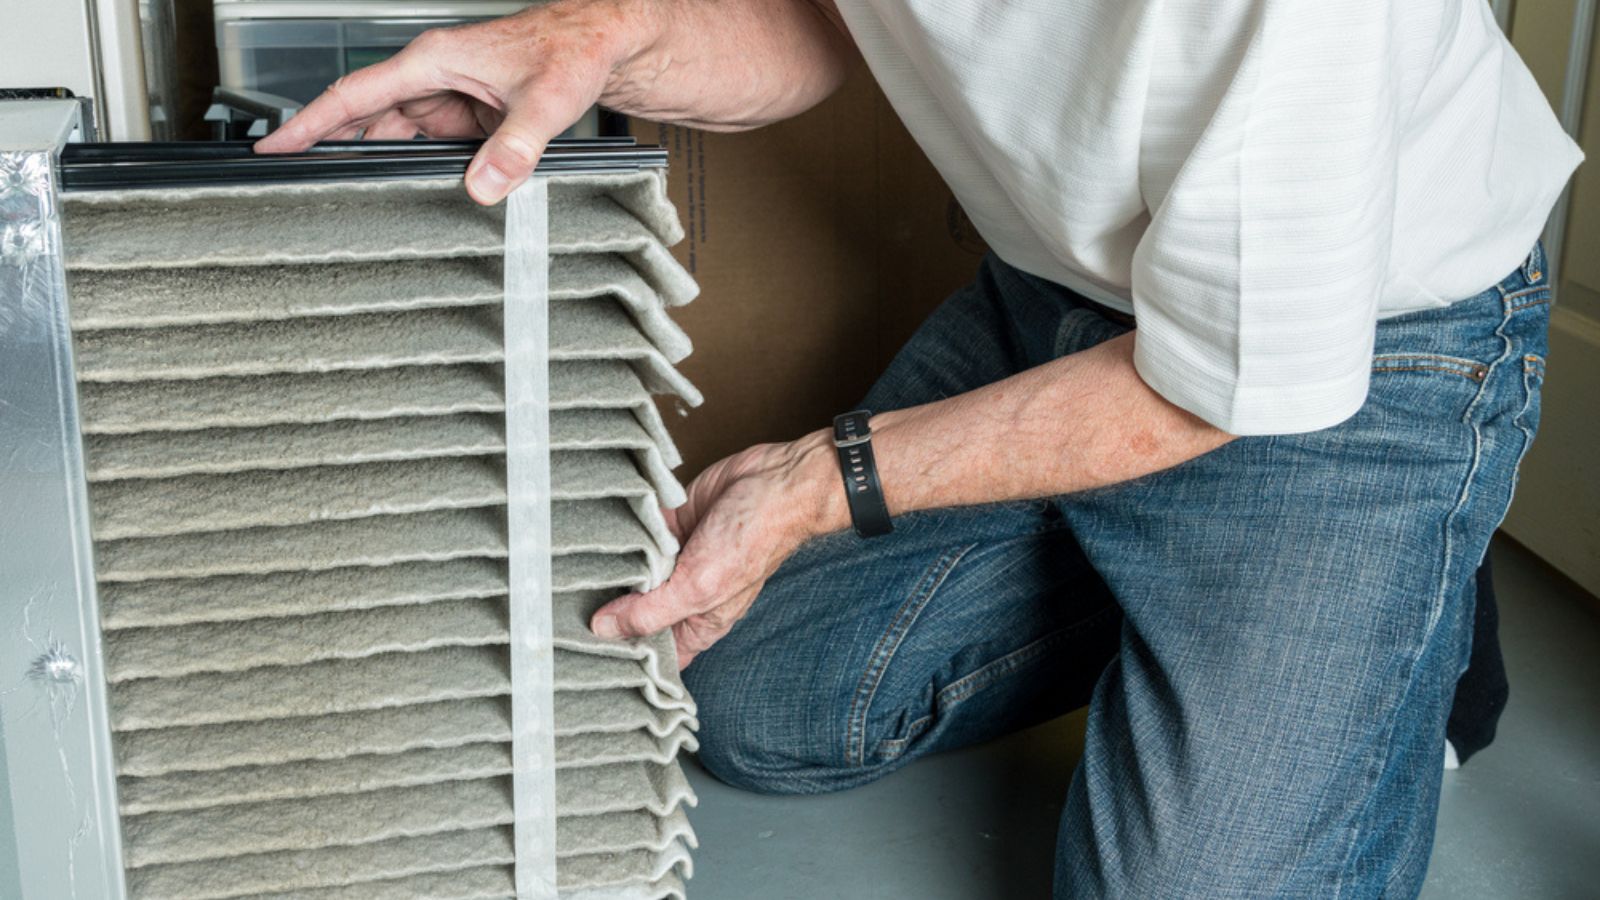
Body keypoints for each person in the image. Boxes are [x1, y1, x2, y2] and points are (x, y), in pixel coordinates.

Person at [259, 1, 1581, 894]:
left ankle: (1405, 599)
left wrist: (807, 486)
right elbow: (830, 21)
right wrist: (601, 38)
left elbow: (1215, 380)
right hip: (1056, 302)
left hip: (1347, 354)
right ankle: (1218, 604)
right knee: (755, 706)